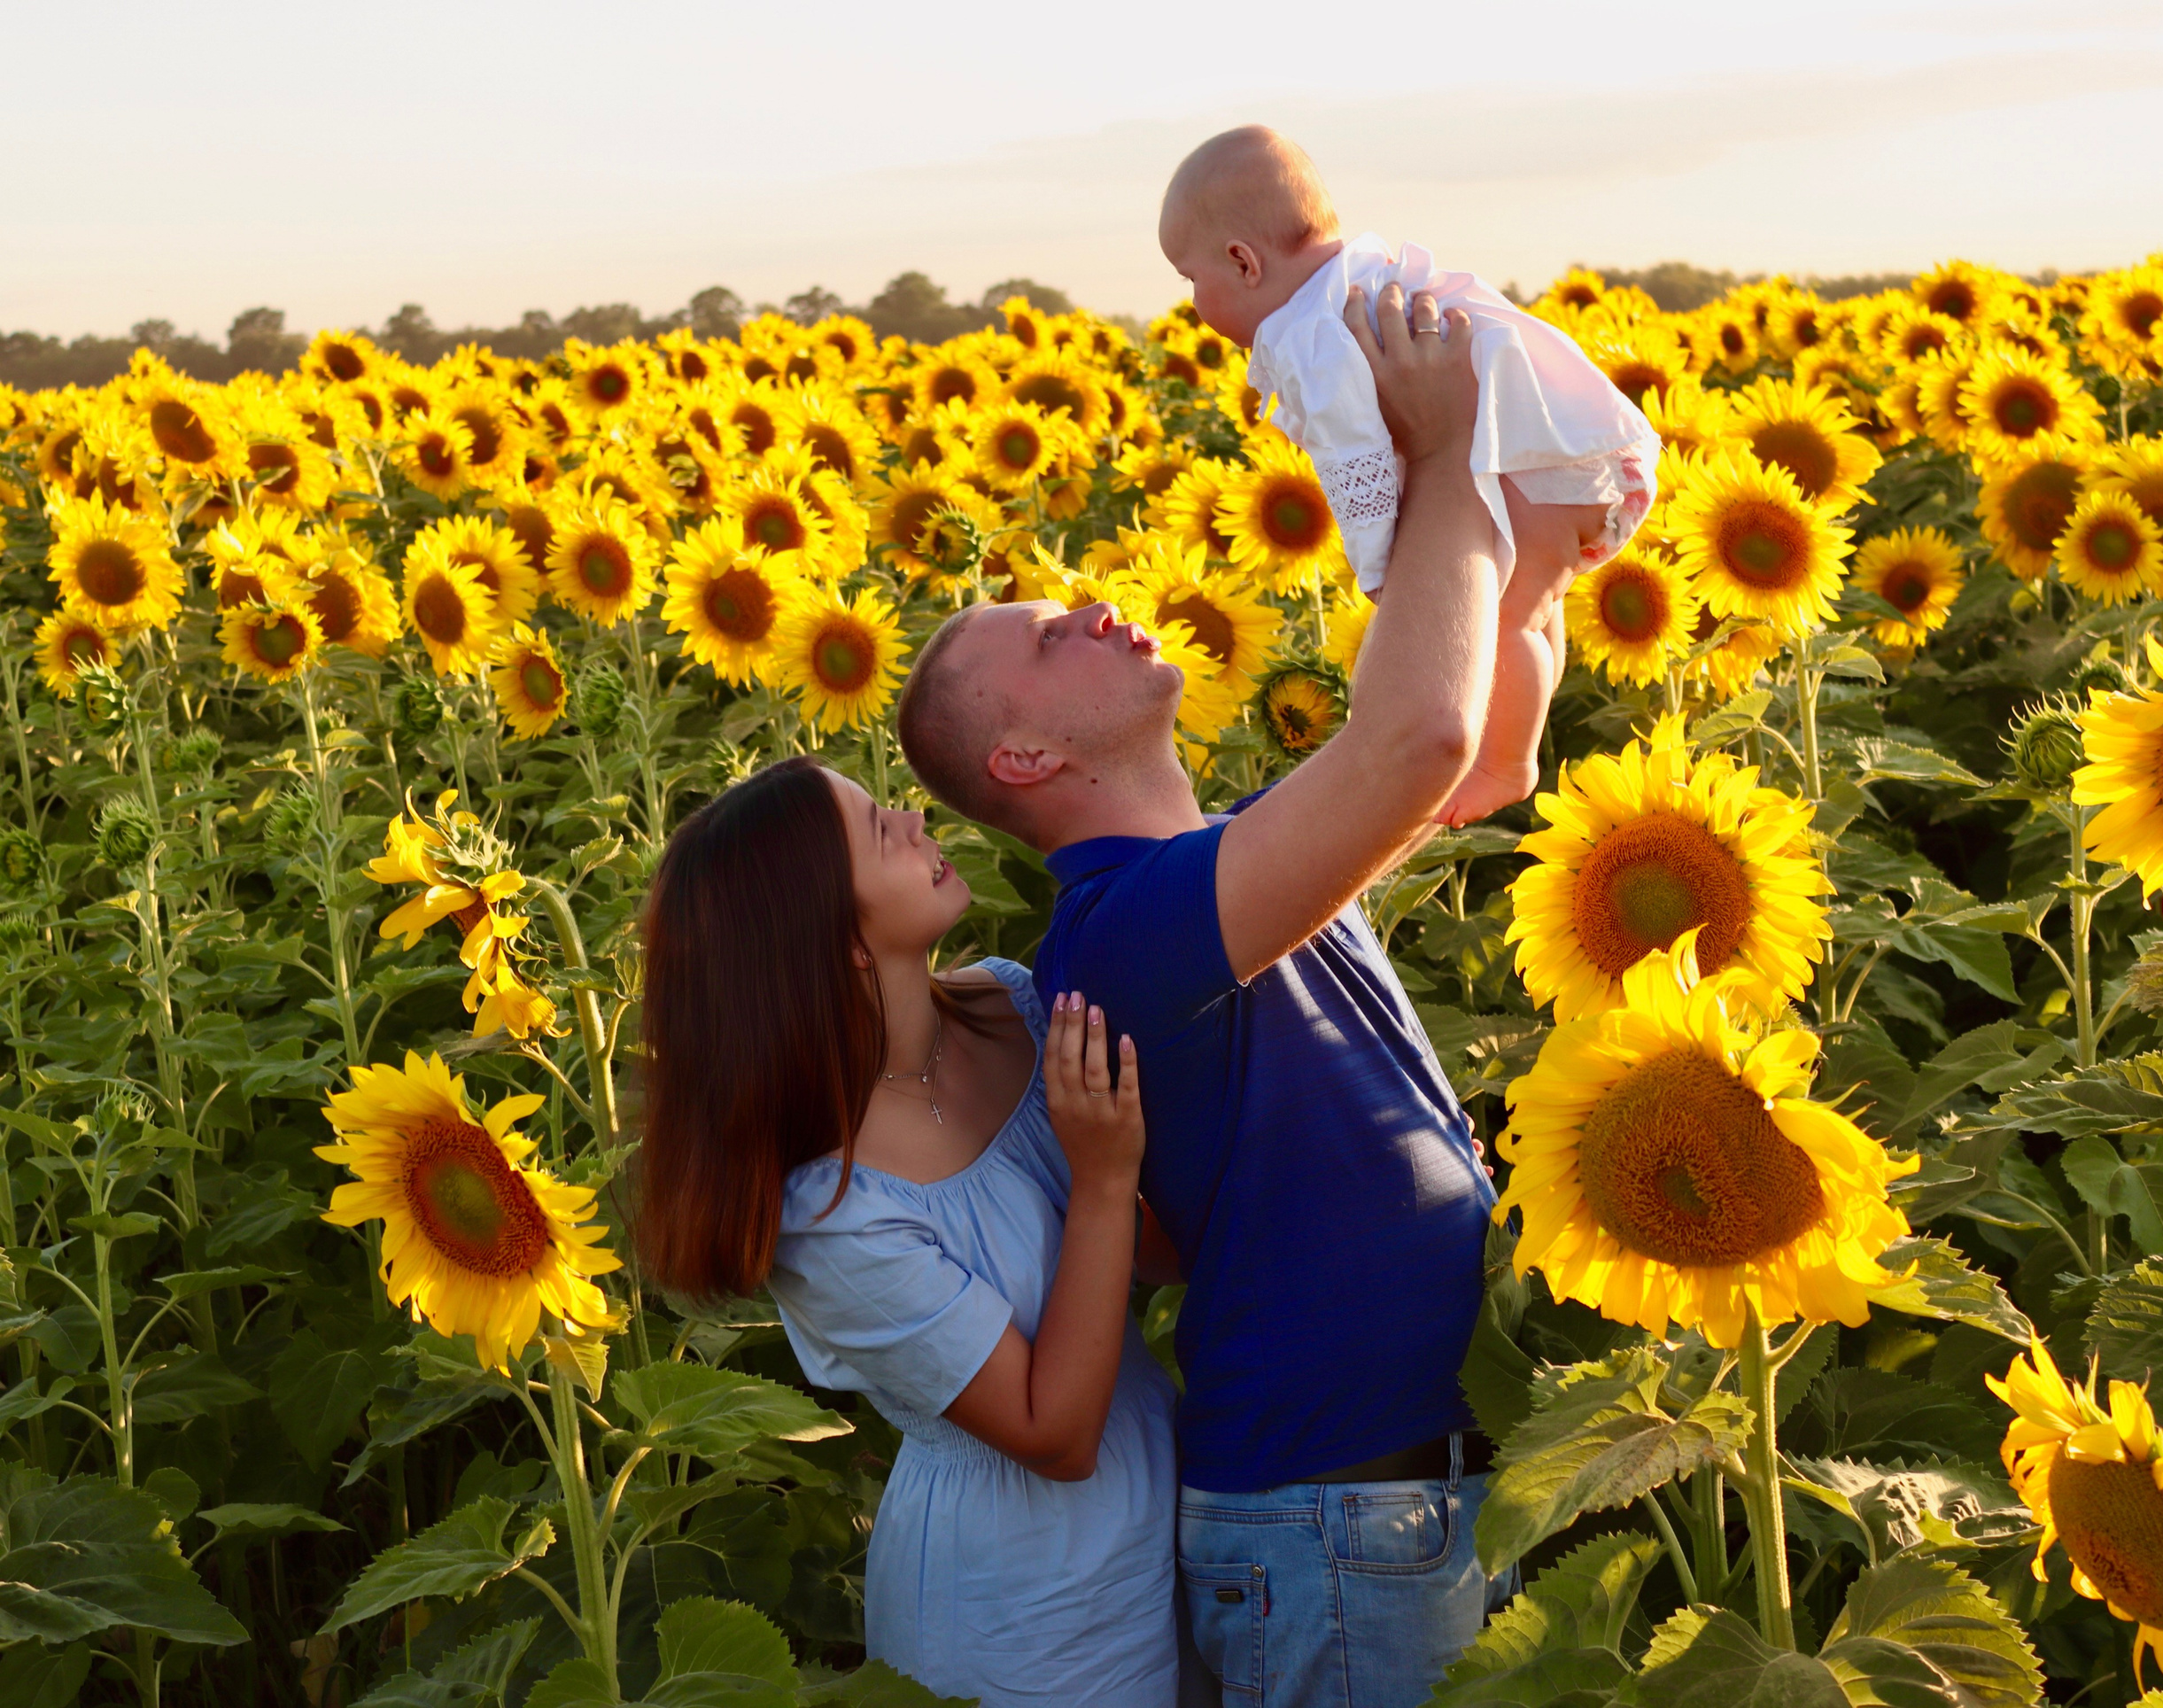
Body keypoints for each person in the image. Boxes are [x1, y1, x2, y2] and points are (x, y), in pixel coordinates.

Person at [894, 286, 1500, 1707]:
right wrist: (1448, 457)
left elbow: (1483, 753)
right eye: (1048, 638)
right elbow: (1420, 732)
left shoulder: (1222, 875)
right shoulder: (1127, 932)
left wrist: (1519, 512)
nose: (1096, 606)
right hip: (1341, 1516)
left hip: (1390, 1502)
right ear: (1028, 762)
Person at [635, 756, 1182, 1707]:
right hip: (1021, 1600)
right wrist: (1100, 1178)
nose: (913, 816)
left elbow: (1166, 1247)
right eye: (876, 828)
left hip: (1170, 1506)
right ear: (838, 937)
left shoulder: (1011, 1004)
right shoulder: (832, 1216)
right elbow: (1053, 1434)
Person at [1159, 125, 1660, 827]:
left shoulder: (1310, 332)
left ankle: (1504, 764)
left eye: (1191, 279)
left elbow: (1352, 453)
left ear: (1244, 262)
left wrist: (1388, 573)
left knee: (1506, 616)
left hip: (1539, 465)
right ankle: (1509, 746)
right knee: (1530, 604)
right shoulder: (1365, 275)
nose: (1191, 303)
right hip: (1566, 452)